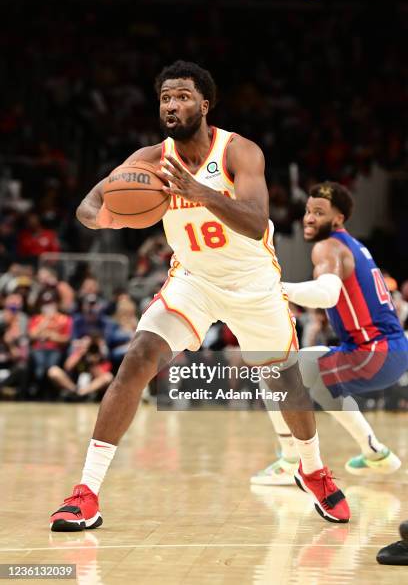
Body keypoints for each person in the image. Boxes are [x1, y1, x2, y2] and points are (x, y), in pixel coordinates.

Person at [50, 60, 350, 532]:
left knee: (285, 383)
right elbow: (89, 204)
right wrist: (109, 218)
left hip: (252, 283)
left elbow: (254, 223)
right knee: (138, 358)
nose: (173, 105)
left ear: (204, 104)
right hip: (193, 279)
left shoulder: (239, 152)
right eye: (166, 97)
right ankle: (85, 493)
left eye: (183, 96)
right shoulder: (150, 158)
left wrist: (198, 191)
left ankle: (312, 469)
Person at [252, 182, 407, 486]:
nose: (309, 218)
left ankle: (290, 460)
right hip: (390, 352)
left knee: (272, 369)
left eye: (319, 213)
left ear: (338, 219)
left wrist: (275, 289)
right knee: (323, 385)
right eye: (308, 211)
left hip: (374, 352)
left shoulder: (329, 247)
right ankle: (375, 452)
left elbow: (326, 294)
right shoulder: (355, 245)